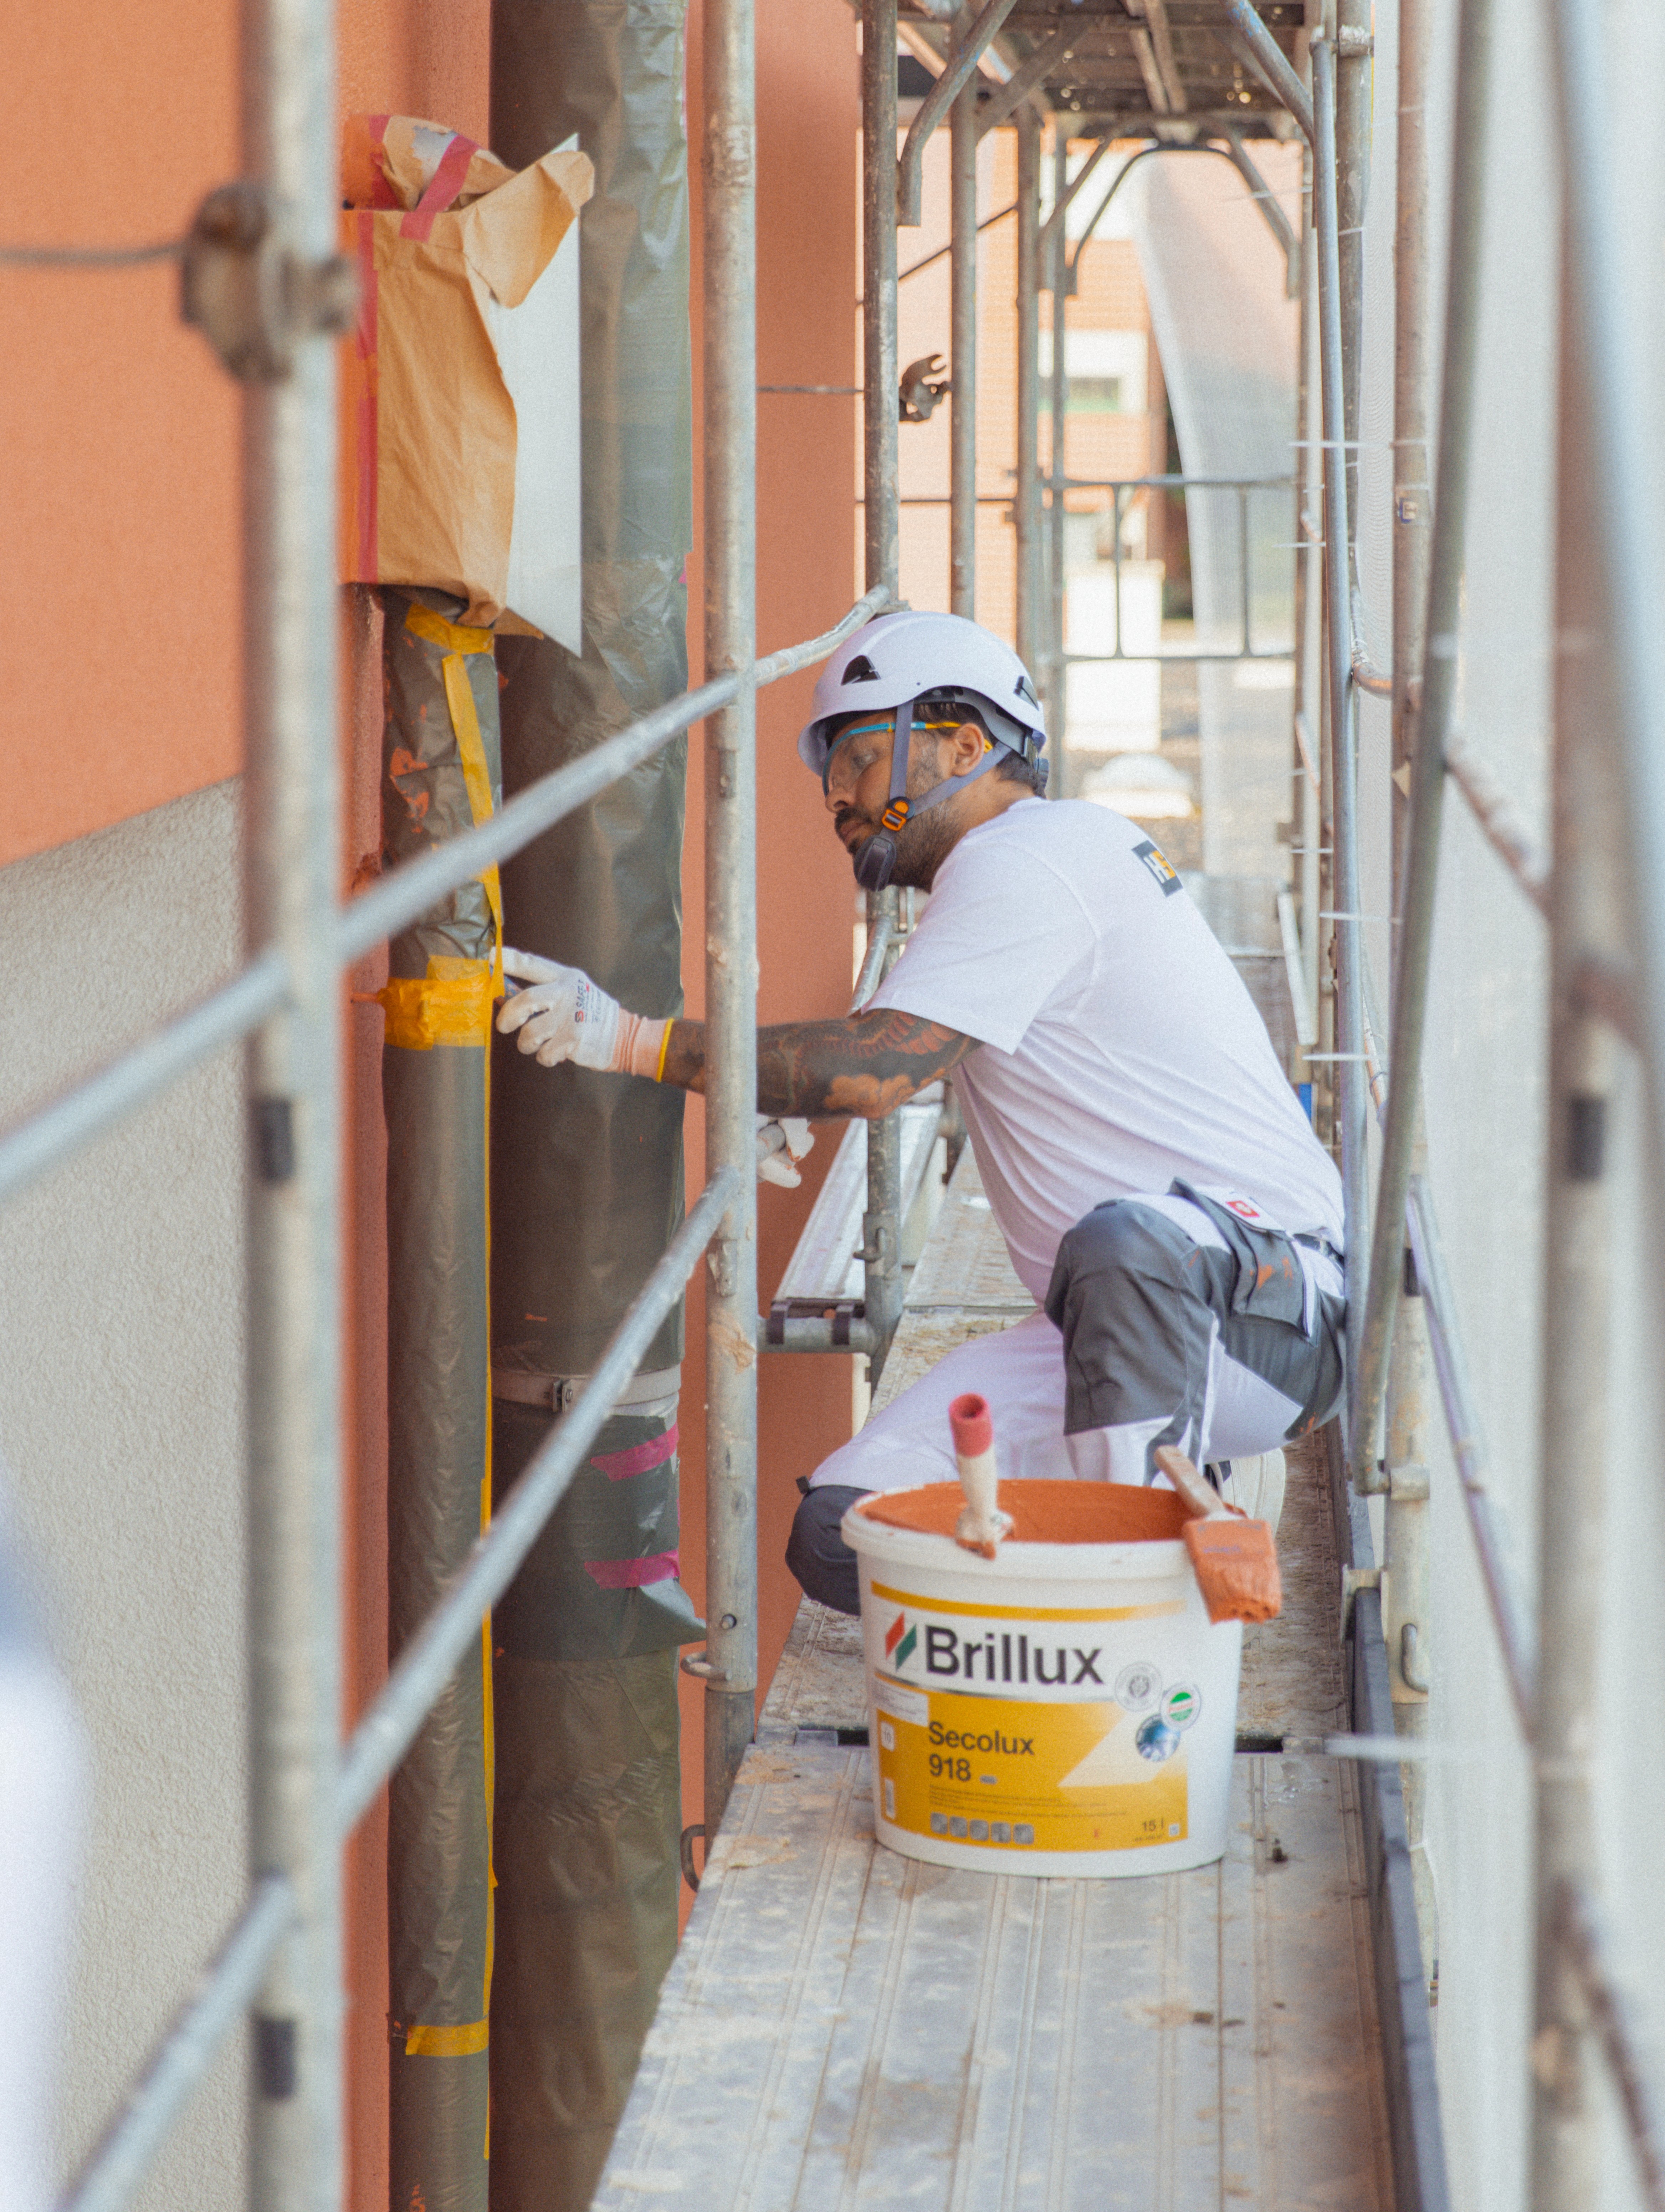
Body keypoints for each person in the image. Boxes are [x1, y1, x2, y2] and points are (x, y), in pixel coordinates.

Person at [497, 609, 1346, 1619]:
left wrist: (629, 1041)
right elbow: (916, 1046)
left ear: (963, 744)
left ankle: (1137, 1592)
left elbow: (878, 1068)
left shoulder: (1025, 856)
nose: (838, 795)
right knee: (845, 1532)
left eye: (859, 754)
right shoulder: (1031, 866)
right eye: (832, 772)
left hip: (1258, 1305)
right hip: (1121, 1329)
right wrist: (786, 1087)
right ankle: (1131, 1547)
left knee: (1125, 1244)